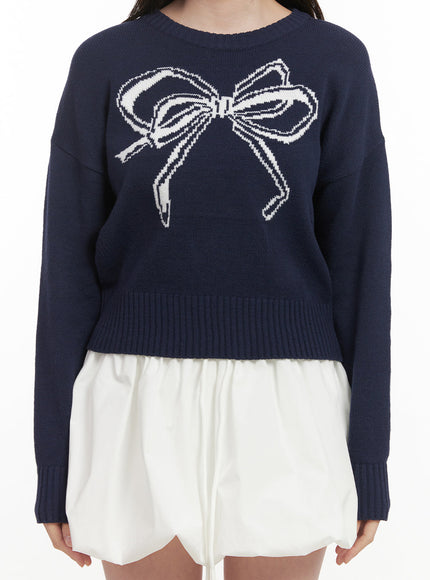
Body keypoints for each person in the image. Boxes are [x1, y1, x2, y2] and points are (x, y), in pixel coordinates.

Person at [33, 1, 392, 579]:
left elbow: (363, 271)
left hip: (289, 399)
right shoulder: (106, 60)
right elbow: (65, 281)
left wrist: (369, 461)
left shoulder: (335, 60)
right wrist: (54, 466)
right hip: (134, 396)